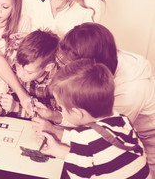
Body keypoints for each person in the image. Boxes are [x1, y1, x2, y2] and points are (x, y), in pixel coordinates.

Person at [45, 22, 155, 178]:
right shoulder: (121, 119)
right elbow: (97, 137)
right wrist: (56, 134)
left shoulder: (131, 93)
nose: (65, 70)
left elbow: (94, 142)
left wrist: (57, 122)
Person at [39, 59, 150, 178]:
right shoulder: (123, 120)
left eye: (61, 107)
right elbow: (100, 152)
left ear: (77, 113)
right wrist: (57, 150)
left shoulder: (83, 140)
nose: (61, 110)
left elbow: (78, 172)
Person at [0, 29, 62, 123]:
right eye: (18, 66)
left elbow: (54, 117)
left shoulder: (60, 83)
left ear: (48, 67)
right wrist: (0, 109)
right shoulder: (21, 68)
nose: (20, 75)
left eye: (29, 72)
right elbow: (15, 94)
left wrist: (17, 107)